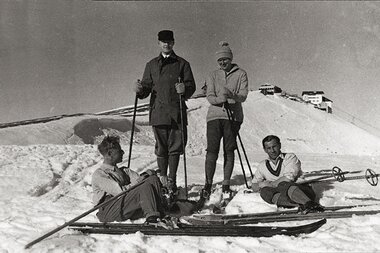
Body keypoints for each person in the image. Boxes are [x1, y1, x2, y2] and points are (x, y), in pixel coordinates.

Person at [134, 30, 196, 197]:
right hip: (159, 112)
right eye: (163, 41)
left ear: (173, 42)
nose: (166, 44)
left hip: (177, 113)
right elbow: (146, 88)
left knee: (175, 148)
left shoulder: (183, 64)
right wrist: (139, 90)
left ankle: (172, 182)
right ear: (159, 43)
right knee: (162, 148)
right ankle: (162, 181)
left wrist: (185, 89)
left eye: (169, 41)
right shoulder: (151, 65)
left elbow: (191, 86)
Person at [202, 41, 249, 200]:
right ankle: (208, 183)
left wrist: (231, 96)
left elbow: (243, 95)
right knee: (212, 150)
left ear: (230, 59)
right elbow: (209, 95)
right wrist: (219, 100)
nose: (222, 62)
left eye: (225, 60)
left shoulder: (241, 73)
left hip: (233, 117)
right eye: (220, 60)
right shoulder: (212, 75)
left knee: (229, 149)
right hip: (215, 116)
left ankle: (226, 183)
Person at [92, 135, 166, 224]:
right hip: (109, 209)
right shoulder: (100, 174)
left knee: (152, 179)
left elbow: (139, 181)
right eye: (120, 151)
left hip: (123, 205)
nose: (123, 153)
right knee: (145, 186)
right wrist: (141, 180)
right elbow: (120, 192)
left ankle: (160, 211)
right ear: (110, 153)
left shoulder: (124, 170)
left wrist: (146, 176)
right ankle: (152, 218)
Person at [251, 135, 325, 214]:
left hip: (302, 192)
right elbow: (254, 185)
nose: (272, 150)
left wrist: (271, 184)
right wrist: (262, 184)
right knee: (265, 191)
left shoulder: (290, 157)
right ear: (265, 150)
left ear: (280, 145)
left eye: (274, 146)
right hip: (285, 198)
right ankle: (300, 205)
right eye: (269, 148)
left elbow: (288, 178)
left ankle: (310, 204)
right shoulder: (263, 165)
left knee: (283, 184)